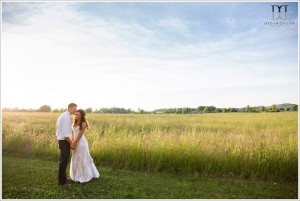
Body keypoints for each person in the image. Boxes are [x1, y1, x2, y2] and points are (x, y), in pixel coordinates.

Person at [70, 109, 100, 183]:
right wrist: (72, 141)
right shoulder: (75, 122)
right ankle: (76, 174)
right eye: (75, 114)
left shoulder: (83, 123)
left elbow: (79, 136)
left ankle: (85, 175)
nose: (76, 116)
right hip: (76, 141)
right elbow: (75, 134)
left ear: (81, 116)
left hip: (81, 143)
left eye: (78, 115)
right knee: (76, 157)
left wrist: (74, 143)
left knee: (82, 158)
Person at [56, 103, 77, 187]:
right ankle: (62, 182)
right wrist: (71, 142)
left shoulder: (64, 115)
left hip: (63, 141)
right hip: (64, 142)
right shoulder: (66, 117)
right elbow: (65, 135)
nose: (75, 111)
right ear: (70, 108)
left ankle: (63, 178)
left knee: (63, 160)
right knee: (63, 161)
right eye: (75, 109)